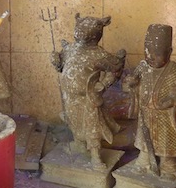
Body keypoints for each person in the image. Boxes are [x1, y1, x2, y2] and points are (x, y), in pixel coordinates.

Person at [51, 14, 126, 169]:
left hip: (88, 98)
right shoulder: (70, 49)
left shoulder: (98, 54)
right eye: (79, 29)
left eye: (84, 30)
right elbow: (61, 67)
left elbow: (115, 69)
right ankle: (79, 145)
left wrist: (104, 84)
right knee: (74, 122)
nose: (80, 33)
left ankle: (95, 156)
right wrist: (56, 61)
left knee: (93, 127)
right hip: (70, 97)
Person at [123, 24, 176, 179]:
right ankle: (144, 160)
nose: (151, 57)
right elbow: (130, 85)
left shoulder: (175, 70)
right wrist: (131, 84)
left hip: (166, 117)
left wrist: (169, 101)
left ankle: (169, 165)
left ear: (169, 52)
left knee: (166, 142)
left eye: (157, 53)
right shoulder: (142, 66)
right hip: (146, 114)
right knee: (144, 139)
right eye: (147, 52)